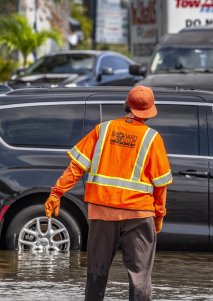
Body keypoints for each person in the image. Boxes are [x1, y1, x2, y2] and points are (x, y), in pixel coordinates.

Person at [44, 85, 172, 301]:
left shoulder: (103, 130)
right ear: (149, 112)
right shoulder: (152, 138)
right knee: (140, 278)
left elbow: (76, 167)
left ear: (126, 105)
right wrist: (159, 215)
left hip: (102, 213)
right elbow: (161, 185)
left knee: (96, 273)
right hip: (139, 215)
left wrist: (57, 193)